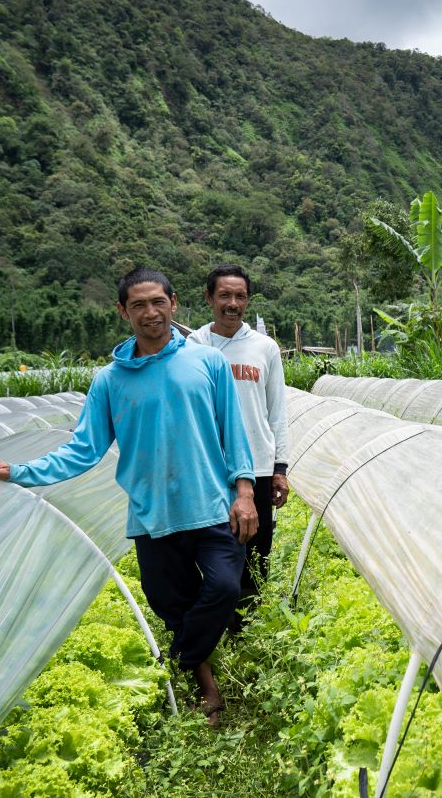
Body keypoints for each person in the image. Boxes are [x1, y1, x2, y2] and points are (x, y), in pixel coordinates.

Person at [0, 267, 257, 724]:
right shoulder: (109, 381)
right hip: (152, 514)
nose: (150, 312)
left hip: (211, 505)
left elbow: (233, 432)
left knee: (222, 587)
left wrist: (245, 492)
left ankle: (177, 662)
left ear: (174, 303)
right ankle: (208, 690)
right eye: (138, 305)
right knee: (171, 605)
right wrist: (17, 471)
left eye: (158, 302)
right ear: (123, 312)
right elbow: (83, 449)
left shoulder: (207, 362)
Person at [188, 264, 290, 627]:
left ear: (248, 300)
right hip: (210, 466)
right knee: (213, 546)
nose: (233, 304)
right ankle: (216, 617)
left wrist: (280, 468)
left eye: (240, 296)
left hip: (258, 465)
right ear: (209, 298)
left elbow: (277, 411)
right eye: (225, 296)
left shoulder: (264, 348)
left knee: (256, 549)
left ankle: (248, 625)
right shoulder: (194, 346)